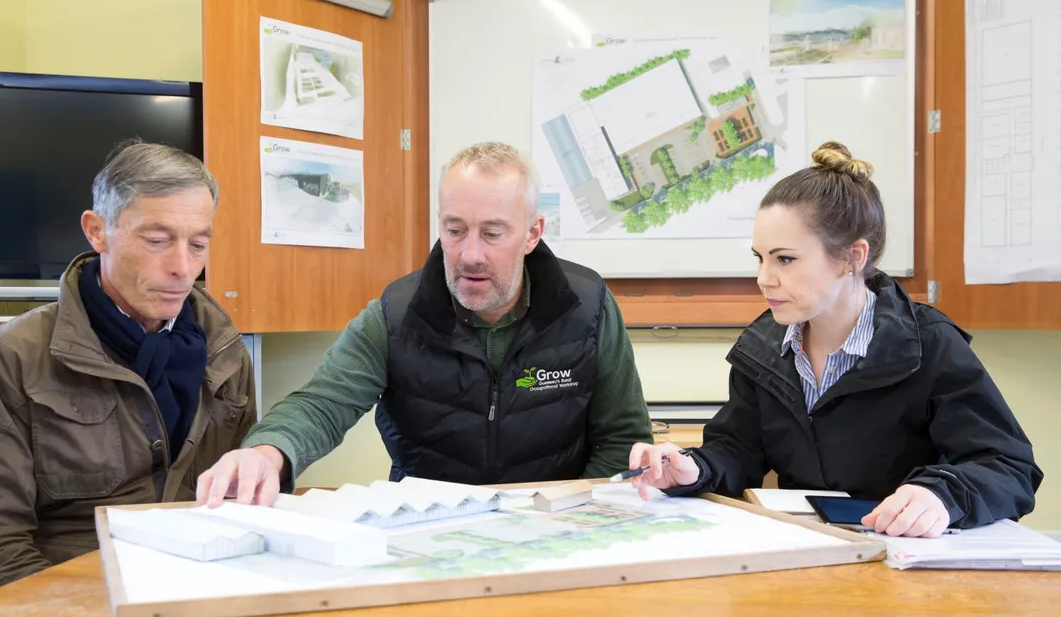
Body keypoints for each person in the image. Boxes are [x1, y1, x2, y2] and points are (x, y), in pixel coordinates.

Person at [196, 141, 652, 507]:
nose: (469, 255)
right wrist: (266, 452)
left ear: (532, 232)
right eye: (454, 230)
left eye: (492, 233)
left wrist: (570, 515)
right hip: (430, 530)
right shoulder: (397, 314)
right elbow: (323, 403)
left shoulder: (587, 306)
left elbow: (623, 438)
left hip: (556, 527)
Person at [626, 141, 1042, 538]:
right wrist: (692, 468)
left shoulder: (928, 344)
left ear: (852, 258)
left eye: (785, 259)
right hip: (807, 555)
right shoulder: (765, 347)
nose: (763, 278)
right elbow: (738, 450)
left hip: (906, 562)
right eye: (761, 257)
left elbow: (1008, 466)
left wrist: (940, 495)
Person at [0, 140, 257, 599]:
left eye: (198, 244)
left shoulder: (223, 347)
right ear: (97, 231)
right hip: (74, 599)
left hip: (202, 595)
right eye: (157, 240)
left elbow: (247, 507)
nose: (183, 269)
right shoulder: (13, 355)